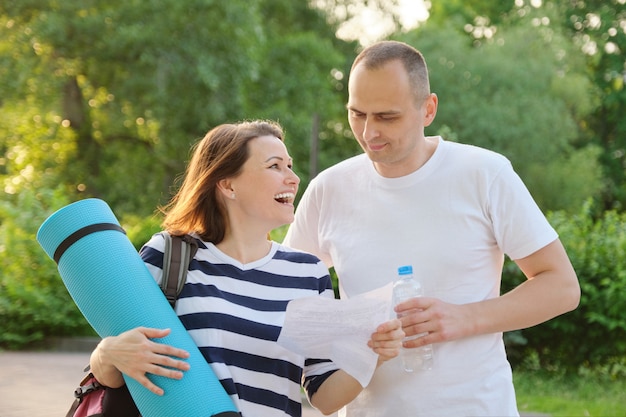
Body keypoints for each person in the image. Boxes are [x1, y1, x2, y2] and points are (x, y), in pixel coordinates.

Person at [283, 41, 581, 416]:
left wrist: (465, 317)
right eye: (357, 114)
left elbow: (562, 287)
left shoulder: (485, 174)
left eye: (387, 117)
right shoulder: (329, 189)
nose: (369, 132)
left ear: (428, 109)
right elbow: (291, 300)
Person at [88, 120, 404, 417]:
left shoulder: (308, 274)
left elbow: (323, 395)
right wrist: (107, 354)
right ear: (228, 185)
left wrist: (371, 355)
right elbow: (113, 363)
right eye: (274, 166)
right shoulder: (170, 254)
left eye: (290, 166)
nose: (293, 179)